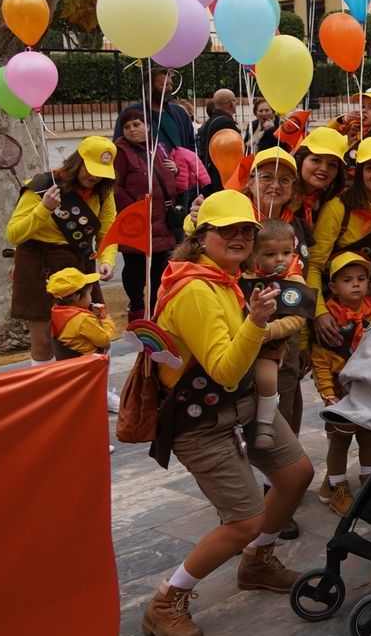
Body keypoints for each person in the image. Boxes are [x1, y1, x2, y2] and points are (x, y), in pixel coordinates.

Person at [139, 191, 311, 636]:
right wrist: (258, 323)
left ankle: (258, 563)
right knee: (244, 520)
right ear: (201, 237)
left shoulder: (225, 277)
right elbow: (224, 367)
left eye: (246, 230)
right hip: (199, 420)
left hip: (239, 403)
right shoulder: (197, 288)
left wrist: (267, 323)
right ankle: (166, 601)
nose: (238, 237)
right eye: (227, 229)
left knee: (295, 475)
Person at [6, 136, 118, 366]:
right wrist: (44, 208)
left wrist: (107, 259)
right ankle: (45, 394)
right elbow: (14, 234)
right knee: (44, 340)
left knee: (91, 334)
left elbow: (107, 232)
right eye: (90, 169)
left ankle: (96, 393)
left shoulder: (103, 193)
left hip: (78, 265)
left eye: (101, 171)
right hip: (39, 265)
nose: (94, 176)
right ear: (77, 161)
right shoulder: (41, 187)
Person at [307, 136, 371, 347]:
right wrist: (319, 312)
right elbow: (315, 264)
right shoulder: (338, 209)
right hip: (337, 301)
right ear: (360, 171)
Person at [312, 252, 371, 516]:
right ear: (333, 287)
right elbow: (320, 362)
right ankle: (337, 488)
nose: (356, 284)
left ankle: (368, 481)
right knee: (339, 442)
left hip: (367, 388)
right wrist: (329, 395)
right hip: (340, 393)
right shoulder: (327, 322)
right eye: (347, 280)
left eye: (361, 279)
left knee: (368, 436)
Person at [240, 219, 310, 453]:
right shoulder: (244, 278)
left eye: (286, 252)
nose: (280, 259)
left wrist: (270, 331)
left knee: (269, 380)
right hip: (242, 344)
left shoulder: (293, 280)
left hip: (273, 346)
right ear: (255, 254)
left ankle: (266, 426)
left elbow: (297, 318)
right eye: (270, 254)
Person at [114, 107, 180, 320]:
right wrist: (133, 209)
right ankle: (136, 306)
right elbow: (114, 186)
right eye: (127, 127)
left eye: (137, 124)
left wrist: (175, 171)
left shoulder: (158, 147)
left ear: (147, 126)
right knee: (135, 270)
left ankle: (155, 312)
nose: (132, 130)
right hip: (138, 222)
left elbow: (167, 173)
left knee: (160, 272)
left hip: (163, 220)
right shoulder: (121, 152)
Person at [292, 127, 349, 238]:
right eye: (316, 160)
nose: (324, 168)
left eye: (332, 165)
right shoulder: (280, 196)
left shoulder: (332, 204)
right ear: (300, 160)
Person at [195, 88, 241, 191]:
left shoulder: (209, 123)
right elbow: (233, 153)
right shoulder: (226, 123)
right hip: (223, 178)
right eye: (235, 101)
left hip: (209, 175)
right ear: (231, 104)